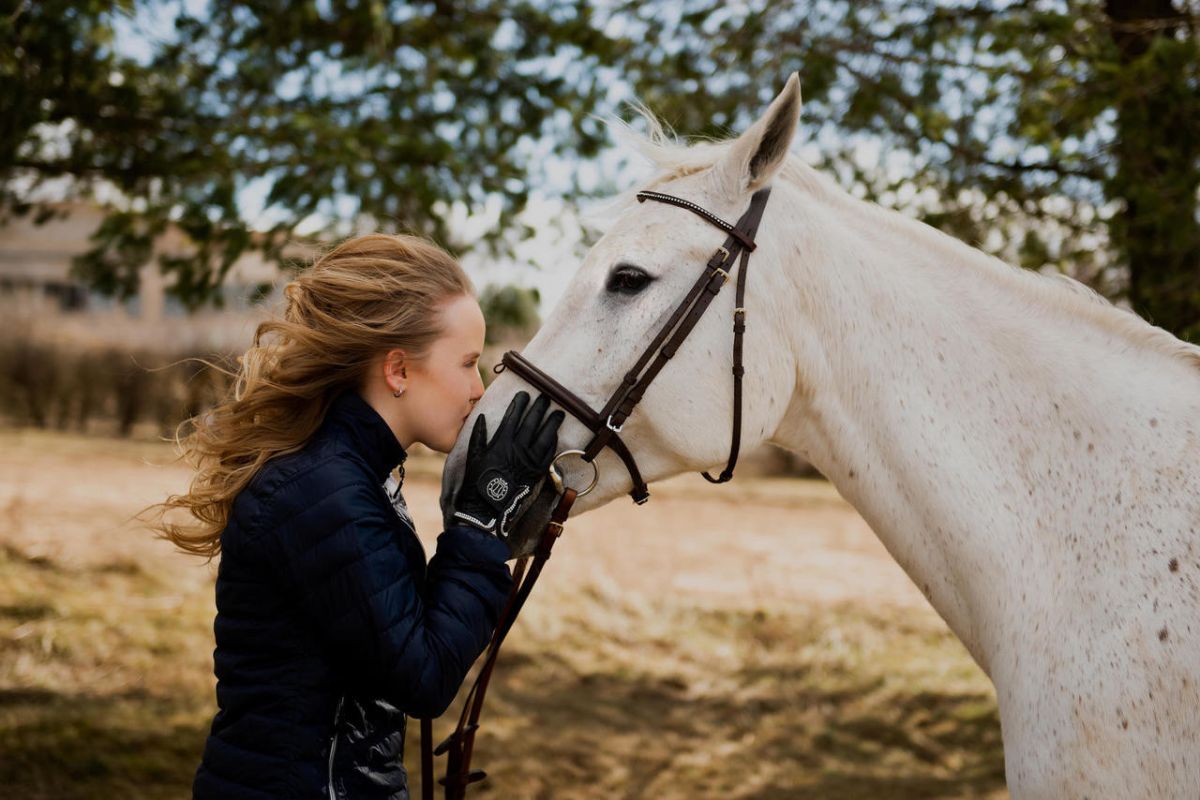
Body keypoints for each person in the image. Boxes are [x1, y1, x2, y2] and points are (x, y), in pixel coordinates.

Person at [147, 233, 564, 799]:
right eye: (467, 363)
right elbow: (421, 675)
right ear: (398, 370)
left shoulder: (351, 472)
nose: (478, 390)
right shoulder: (321, 491)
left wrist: (486, 524)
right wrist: (481, 526)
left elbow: (398, 640)